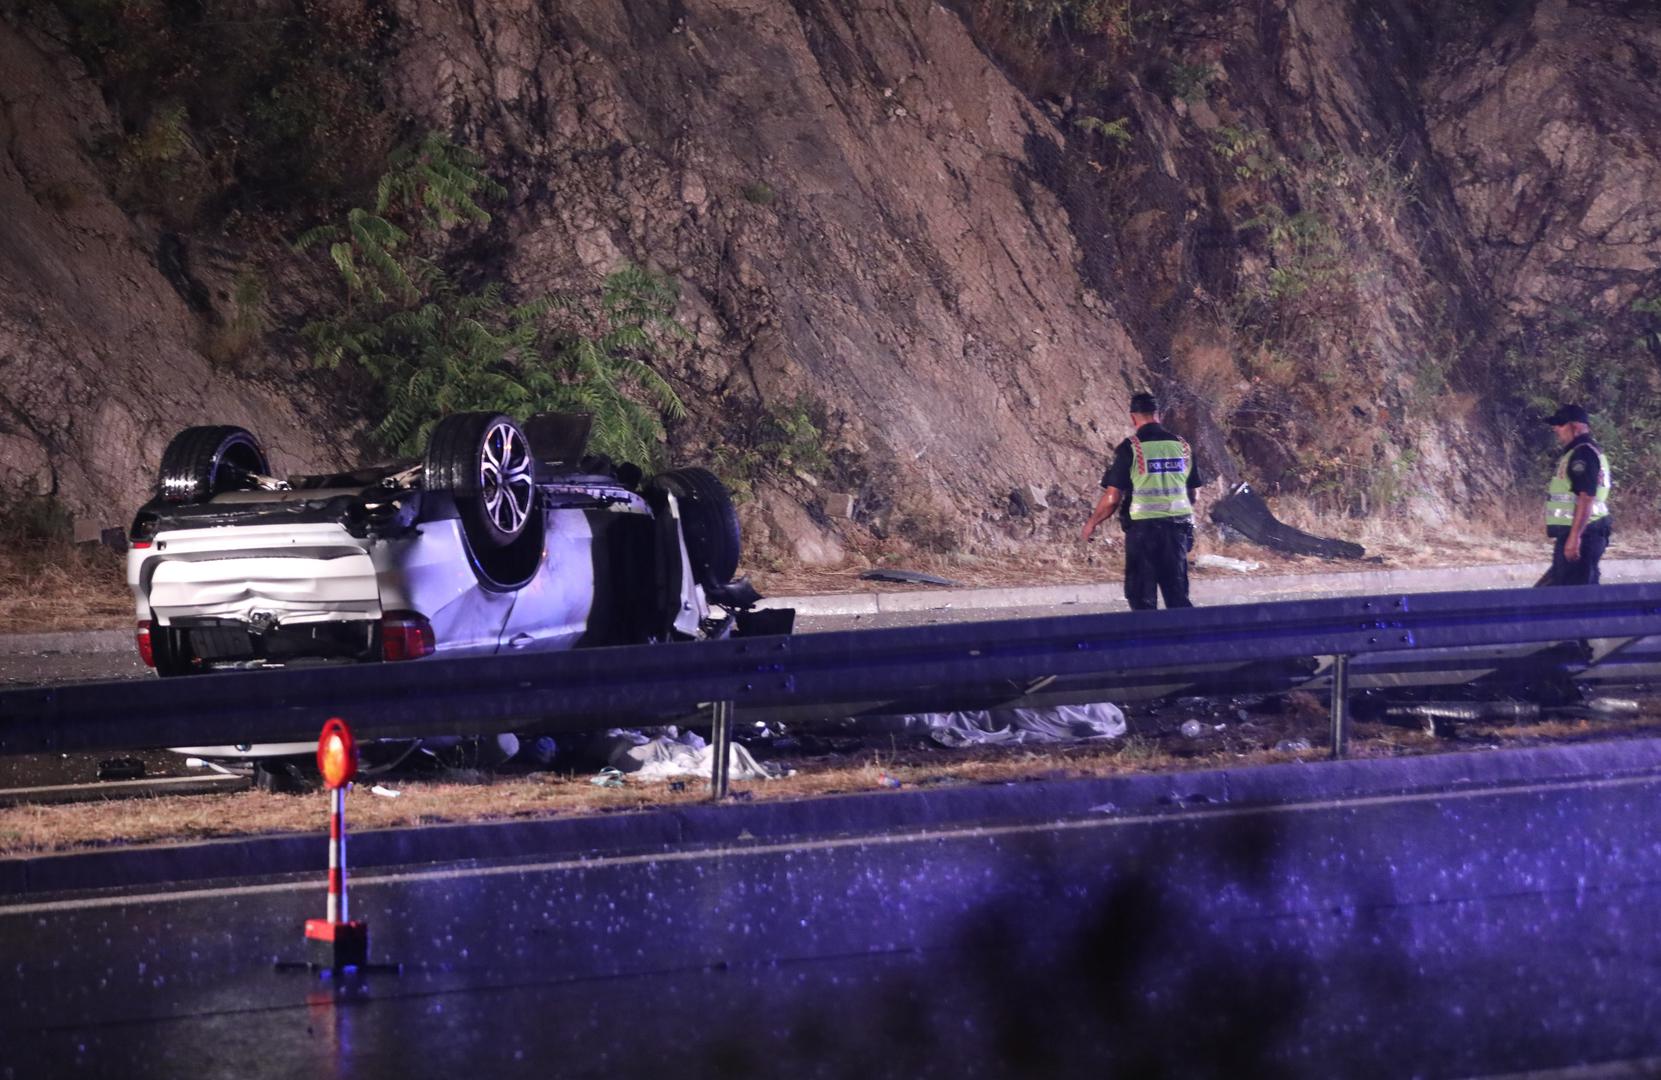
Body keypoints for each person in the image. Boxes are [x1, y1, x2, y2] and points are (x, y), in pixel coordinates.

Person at [1080, 391, 1203, 609]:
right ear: (1159, 415)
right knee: (1177, 597)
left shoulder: (1131, 448)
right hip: (1177, 532)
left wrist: (1092, 523)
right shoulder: (1182, 447)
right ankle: (1185, 641)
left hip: (1143, 533)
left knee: (1142, 600)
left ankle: (1148, 641)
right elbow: (1193, 494)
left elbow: (1112, 497)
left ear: (1133, 418)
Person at [1539, 403, 1611, 586]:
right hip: (1584, 532)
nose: (1556, 428)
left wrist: (1574, 538)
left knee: (1573, 596)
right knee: (1569, 589)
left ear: (1577, 426)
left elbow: (1586, 497)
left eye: (1561, 424)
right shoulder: (1582, 452)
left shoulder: (1582, 454)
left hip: (1583, 534)